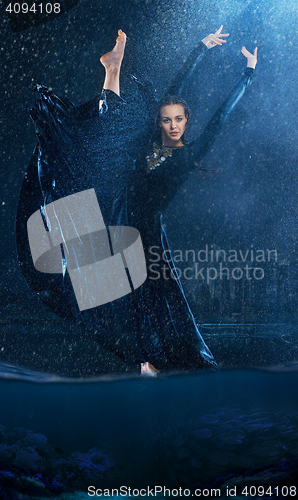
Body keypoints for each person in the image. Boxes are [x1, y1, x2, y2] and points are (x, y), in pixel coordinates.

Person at [16, 26, 257, 376]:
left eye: (179, 120)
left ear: (187, 123)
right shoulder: (149, 141)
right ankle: (113, 68)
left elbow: (219, 120)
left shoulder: (187, 155)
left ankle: (151, 362)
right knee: (107, 142)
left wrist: (247, 74)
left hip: (144, 234)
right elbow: (177, 87)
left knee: (132, 300)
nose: (173, 125)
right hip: (115, 202)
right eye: (168, 119)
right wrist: (201, 47)